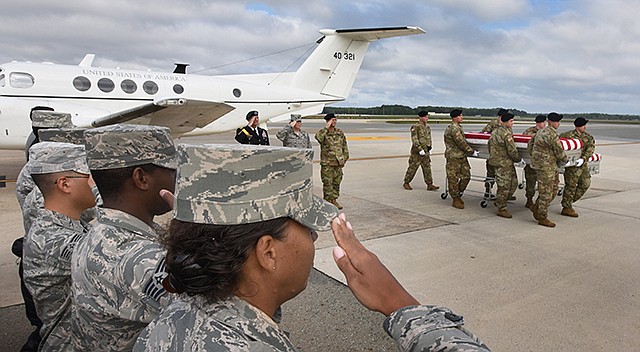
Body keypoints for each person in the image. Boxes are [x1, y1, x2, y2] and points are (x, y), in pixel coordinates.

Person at [133, 144, 490, 352]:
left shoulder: (176, 315)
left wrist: (194, 217)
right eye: (305, 226)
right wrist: (401, 306)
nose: (315, 238)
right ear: (268, 252)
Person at [71, 124, 177, 351]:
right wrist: (195, 231)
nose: (178, 178)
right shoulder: (134, 256)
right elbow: (224, 310)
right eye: (172, 170)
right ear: (141, 178)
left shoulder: (105, 231)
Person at [22, 142, 95, 351]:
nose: (95, 182)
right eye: (89, 176)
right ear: (65, 184)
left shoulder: (69, 224)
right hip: (71, 344)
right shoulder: (54, 239)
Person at [13, 109, 75, 352]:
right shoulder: (44, 176)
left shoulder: (36, 166)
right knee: (50, 325)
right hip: (49, 261)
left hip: (38, 253)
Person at [530, 112, 568, 227]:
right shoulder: (551, 134)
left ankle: (537, 207)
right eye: (557, 122)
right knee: (546, 192)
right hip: (546, 167)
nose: (559, 124)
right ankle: (542, 217)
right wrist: (566, 160)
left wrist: (535, 158)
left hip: (547, 166)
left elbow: (530, 145)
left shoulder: (540, 132)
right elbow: (559, 151)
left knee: (553, 188)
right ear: (551, 122)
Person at [488, 113, 525, 218]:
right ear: (506, 122)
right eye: (511, 121)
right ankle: (501, 208)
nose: (512, 123)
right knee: (504, 186)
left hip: (502, 162)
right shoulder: (506, 134)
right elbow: (512, 150)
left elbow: (489, 146)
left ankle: (501, 201)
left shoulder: (495, 131)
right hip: (503, 163)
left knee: (513, 183)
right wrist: (518, 159)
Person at [559, 117, 596, 217]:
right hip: (572, 166)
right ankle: (567, 207)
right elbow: (559, 145)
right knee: (570, 186)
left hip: (582, 165)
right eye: (583, 125)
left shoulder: (588, 137)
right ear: (577, 126)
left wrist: (583, 158)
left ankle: (568, 201)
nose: (585, 127)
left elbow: (591, 148)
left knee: (585, 184)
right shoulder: (567, 135)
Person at [444, 109, 477, 209]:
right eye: (460, 116)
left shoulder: (458, 127)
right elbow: (461, 143)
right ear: (454, 117)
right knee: (453, 178)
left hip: (461, 156)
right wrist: (471, 151)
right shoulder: (454, 129)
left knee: (466, 176)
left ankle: (457, 193)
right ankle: (455, 198)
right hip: (454, 157)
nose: (462, 117)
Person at [315, 113, 349, 210]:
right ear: (328, 121)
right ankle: (327, 203)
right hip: (328, 165)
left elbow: (344, 146)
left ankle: (334, 200)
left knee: (336, 183)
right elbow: (318, 138)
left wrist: (344, 158)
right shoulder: (323, 133)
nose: (334, 122)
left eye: (335, 120)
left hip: (338, 164)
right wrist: (326, 127)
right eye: (332, 120)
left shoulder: (339, 132)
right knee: (327, 184)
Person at [402, 111, 439, 191]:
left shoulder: (427, 127)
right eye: (425, 117)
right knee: (413, 167)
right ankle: (406, 182)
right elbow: (414, 139)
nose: (427, 118)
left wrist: (429, 148)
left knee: (427, 168)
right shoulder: (416, 127)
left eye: (427, 117)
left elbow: (429, 138)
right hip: (417, 152)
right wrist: (419, 149)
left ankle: (429, 184)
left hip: (425, 151)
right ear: (421, 117)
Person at [481, 108, 508, 199]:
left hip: (503, 156)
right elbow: (484, 133)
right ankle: (487, 192)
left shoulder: (507, 124)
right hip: (493, 154)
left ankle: (504, 195)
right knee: (491, 174)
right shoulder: (493, 123)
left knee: (504, 178)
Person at [522, 115, 547, 209]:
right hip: (531, 162)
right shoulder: (530, 132)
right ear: (538, 123)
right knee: (531, 183)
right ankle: (529, 200)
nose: (545, 124)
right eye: (543, 122)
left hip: (542, 162)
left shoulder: (545, 132)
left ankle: (539, 202)